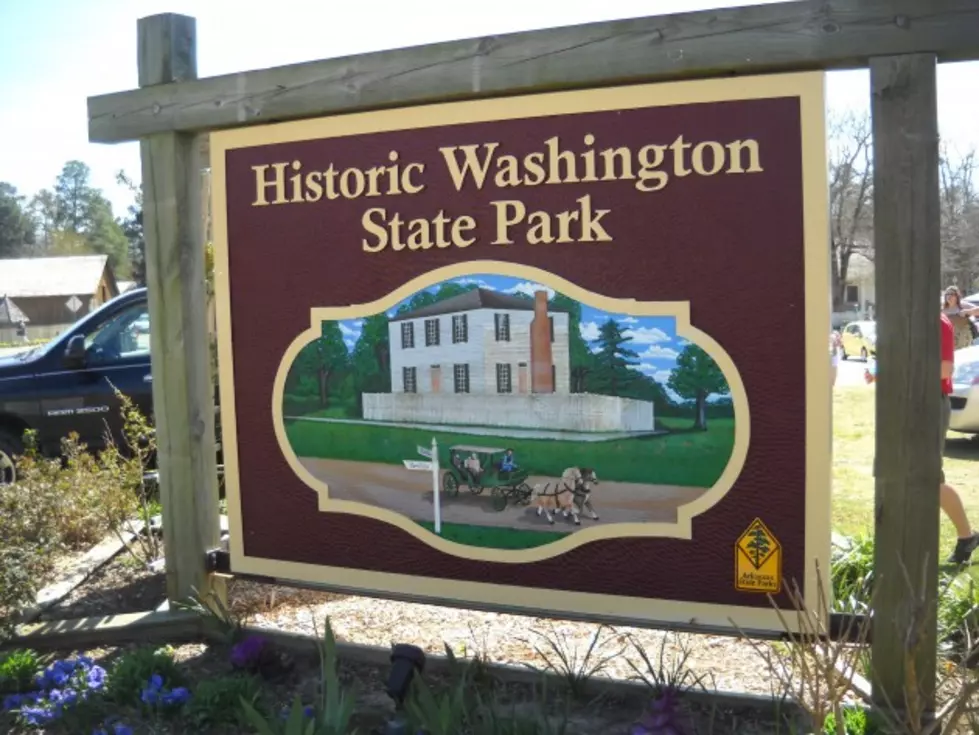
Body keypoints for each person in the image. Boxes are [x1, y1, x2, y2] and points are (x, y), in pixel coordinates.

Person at [864, 312, 979, 564]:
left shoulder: (938, 321)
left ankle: (965, 537)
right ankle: (961, 538)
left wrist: (901, 368)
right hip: (905, 404)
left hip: (929, 405)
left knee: (928, 478)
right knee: (904, 474)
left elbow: (945, 369)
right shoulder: (906, 318)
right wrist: (879, 371)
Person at [942, 286, 979, 350]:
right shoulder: (942, 309)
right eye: (947, 294)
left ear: (957, 296)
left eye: (952, 294)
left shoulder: (962, 305)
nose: (949, 296)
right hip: (948, 340)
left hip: (963, 340)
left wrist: (968, 312)